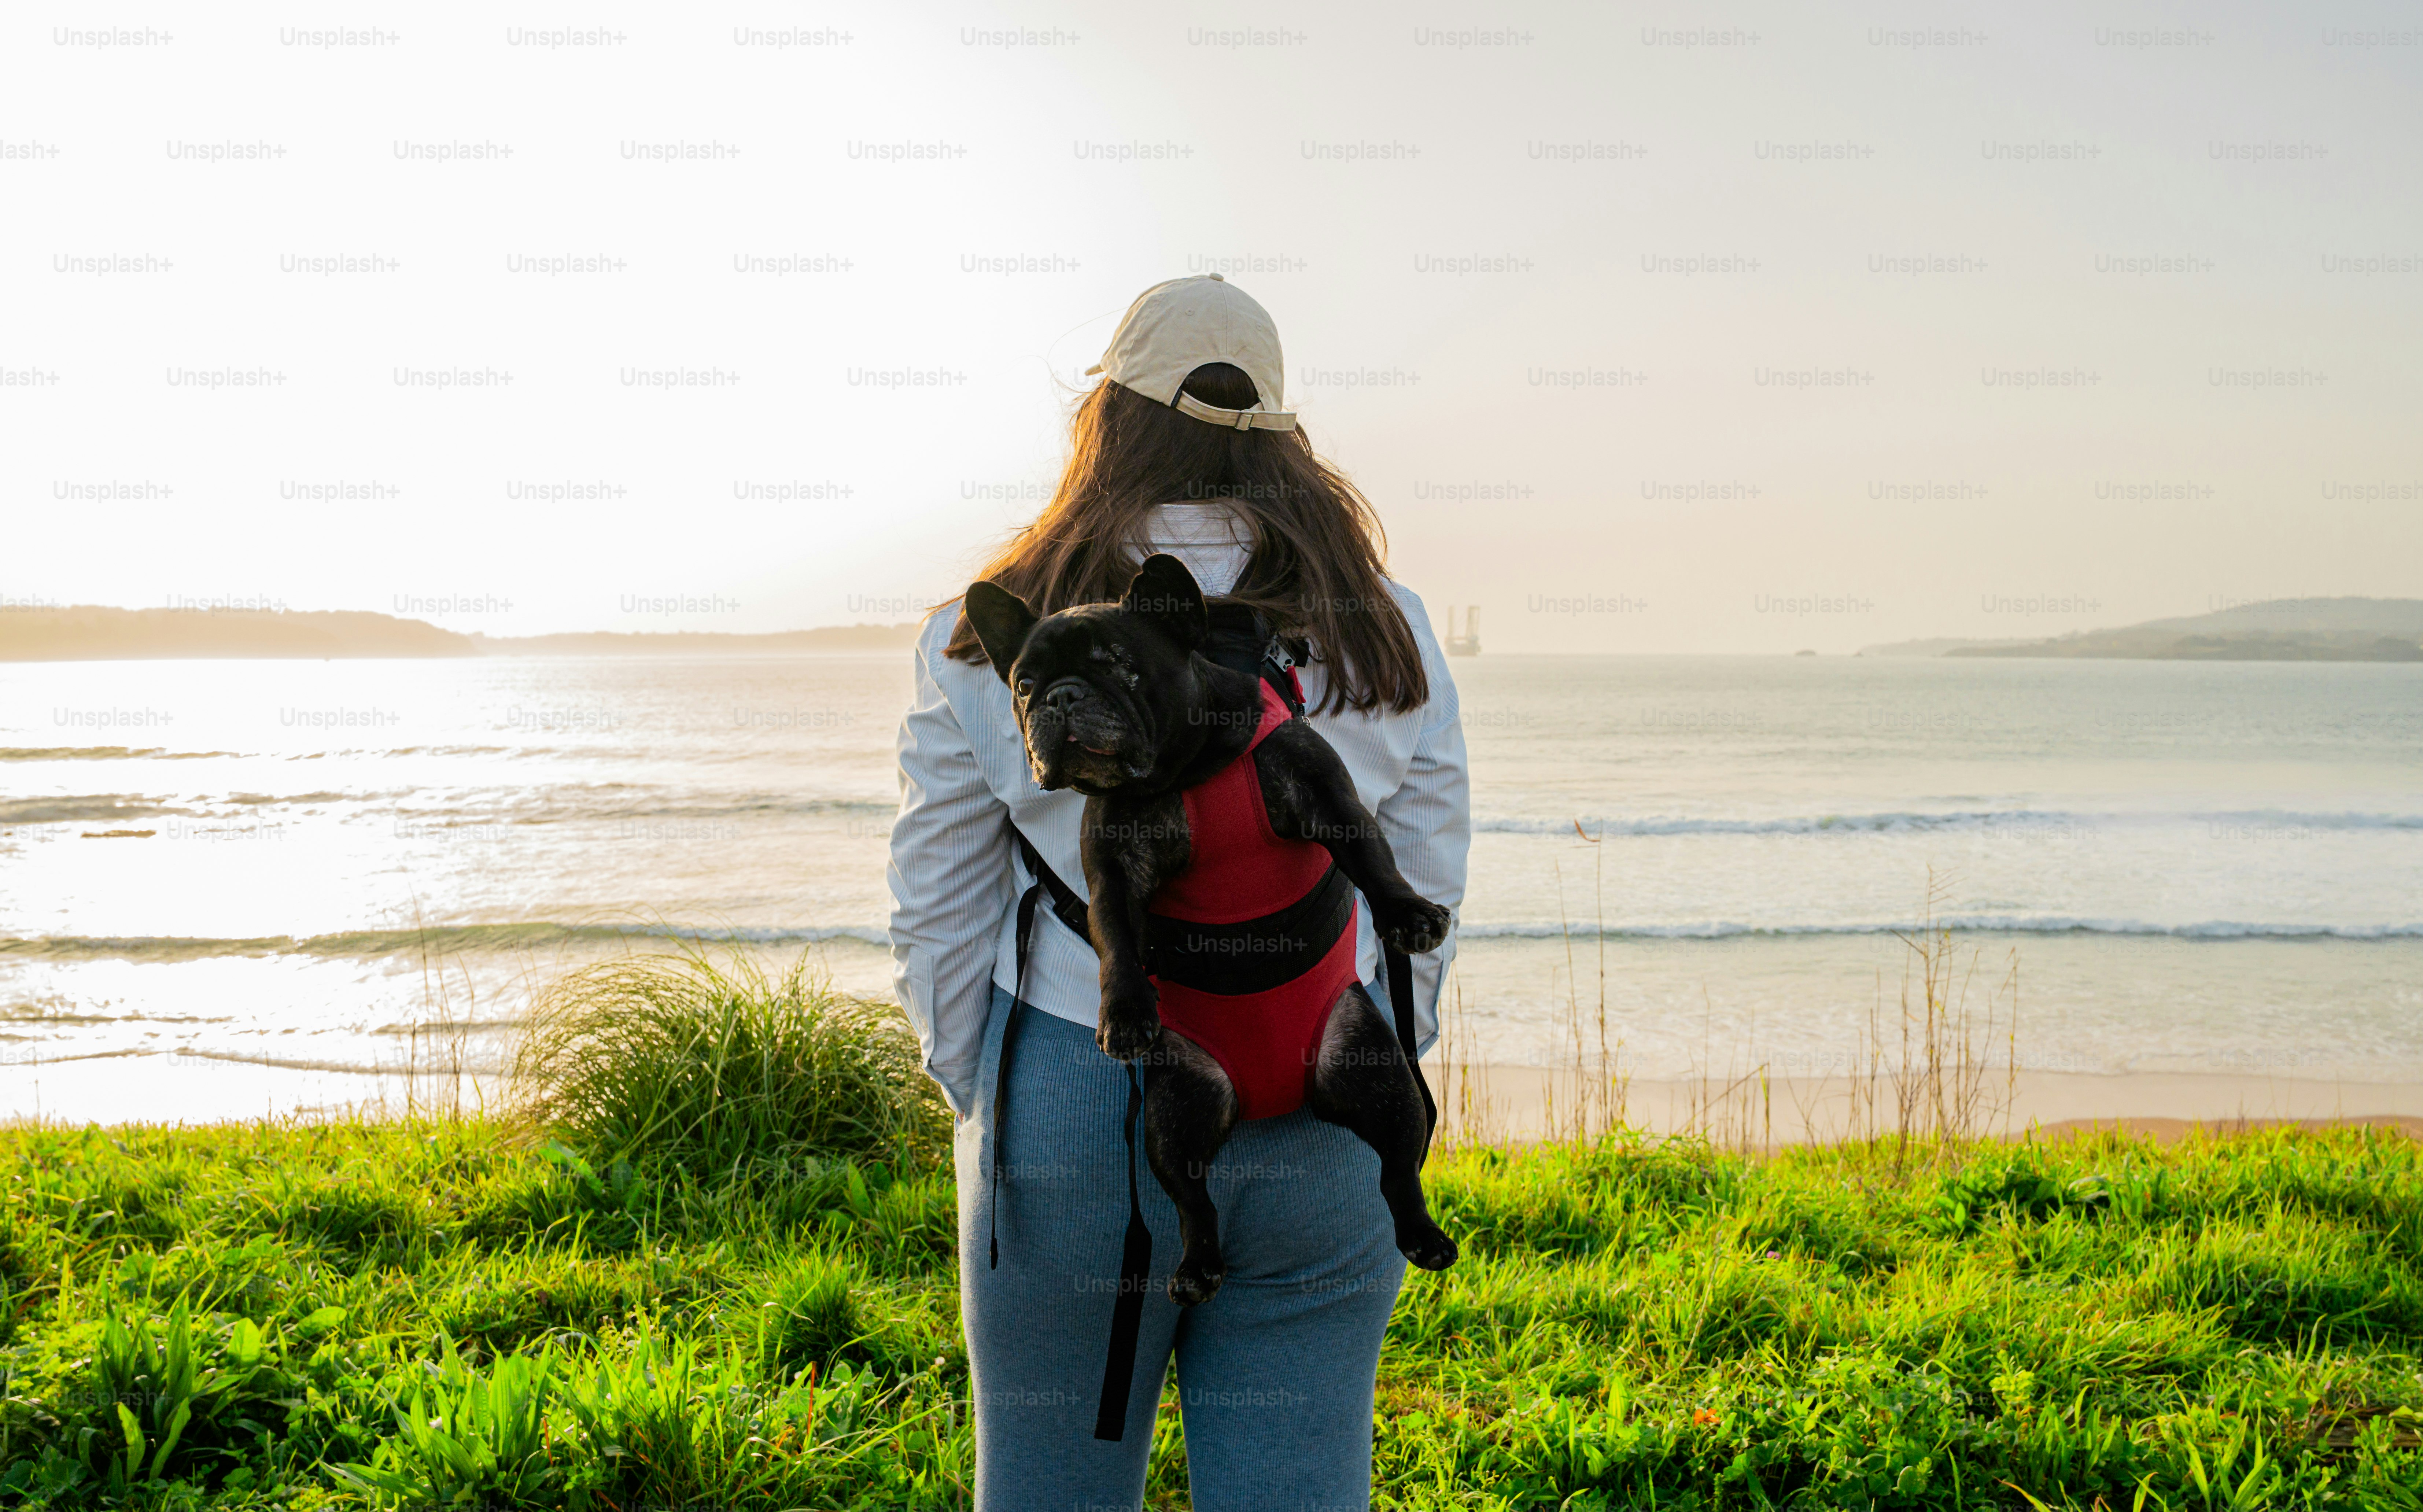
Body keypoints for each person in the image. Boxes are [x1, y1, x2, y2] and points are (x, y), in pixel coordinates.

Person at [887, 274, 1470, 1511]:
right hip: (1328, 1083)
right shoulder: (1388, 632)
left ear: (1105, 417)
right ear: (1279, 437)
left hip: (1082, 1096)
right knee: (1299, 1481)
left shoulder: (978, 638)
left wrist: (986, 1106)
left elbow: (936, 911)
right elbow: (1420, 884)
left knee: (1053, 1486)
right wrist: (1376, 1048)